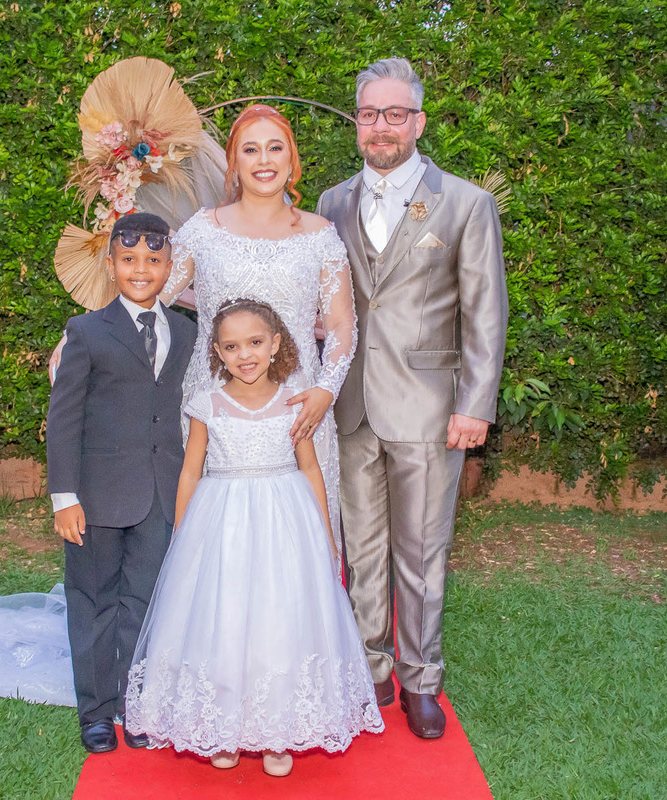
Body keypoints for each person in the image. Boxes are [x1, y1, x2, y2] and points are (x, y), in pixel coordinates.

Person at [316, 58, 509, 739]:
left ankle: (421, 678)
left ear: (419, 122)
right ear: (356, 123)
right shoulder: (331, 204)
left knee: (422, 553)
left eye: (395, 114)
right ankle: (370, 669)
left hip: (429, 408)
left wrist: (475, 404)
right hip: (351, 407)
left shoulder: (464, 204)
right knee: (361, 549)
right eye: (370, 114)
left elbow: (485, 312)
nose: (381, 127)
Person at [124, 299, 383, 777]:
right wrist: (182, 535)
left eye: (255, 343)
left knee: (278, 618)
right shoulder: (207, 405)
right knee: (222, 619)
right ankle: (223, 726)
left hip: (284, 523)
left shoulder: (295, 400)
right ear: (218, 352)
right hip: (221, 524)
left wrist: (325, 534)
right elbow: (190, 471)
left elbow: (310, 467)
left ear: (276, 344)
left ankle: (275, 730)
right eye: (231, 346)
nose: (245, 355)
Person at [158, 103, 357, 539]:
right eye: (250, 149)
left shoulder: (320, 235)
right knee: (218, 534)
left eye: (275, 147)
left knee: (296, 535)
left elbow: (342, 325)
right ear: (233, 161)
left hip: (298, 405)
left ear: (292, 159)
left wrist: (326, 389)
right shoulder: (202, 230)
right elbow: (152, 296)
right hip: (216, 403)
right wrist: (82, 332)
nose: (264, 160)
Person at [46, 212, 197, 754]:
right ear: (111, 265)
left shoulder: (187, 332)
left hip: (161, 493)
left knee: (144, 602)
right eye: (129, 259)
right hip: (97, 496)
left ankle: (137, 705)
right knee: (93, 601)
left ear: (170, 268)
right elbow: (63, 419)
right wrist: (65, 497)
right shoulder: (86, 331)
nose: (141, 270)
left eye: (154, 260)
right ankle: (95, 711)